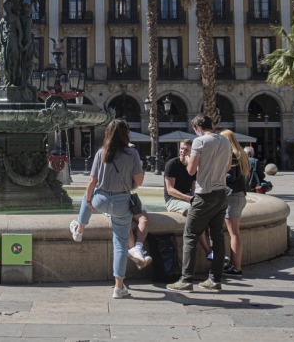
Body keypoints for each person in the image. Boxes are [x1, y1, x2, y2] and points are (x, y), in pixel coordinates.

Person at [69, 119, 145, 299]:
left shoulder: (101, 153)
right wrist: (129, 186)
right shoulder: (132, 153)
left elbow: (91, 182)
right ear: (126, 134)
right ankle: (119, 288)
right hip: (121, 202)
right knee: (119, 243)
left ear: (108, 133)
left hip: (101, 198)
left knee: (87, 196)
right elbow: (139, 180)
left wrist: (89, 200)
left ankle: (79, 229)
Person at [167, 114, 232, 293]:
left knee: (190, 235)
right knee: (217, 236)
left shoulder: (199, 142)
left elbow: (191, 170)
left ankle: (186, 280)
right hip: (221, 194)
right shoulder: (225, 141)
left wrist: (188, 160)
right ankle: (215, 279)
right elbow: (227, 167)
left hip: (205, 194)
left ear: (198, 128)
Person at [163, 140, 211, 260]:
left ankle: (211, 248)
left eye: (186, 150)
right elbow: (170, 190)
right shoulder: (171, 164)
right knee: (193, 212)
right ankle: (208, 251)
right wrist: (189, 198)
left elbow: (195, 188)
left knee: (207, 210)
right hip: (173, 199)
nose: (183, 152)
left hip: (188, 197)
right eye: (181, 149)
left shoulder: (192, 167)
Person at [220, 130, 250, 278]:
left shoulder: (231, 155)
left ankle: (236, 267)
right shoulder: (241, 154)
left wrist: (217, 174)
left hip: (233, 196)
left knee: (234, 233)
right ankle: (233, 265)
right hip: (240, 195)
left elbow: (231, 177)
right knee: (234, 233)